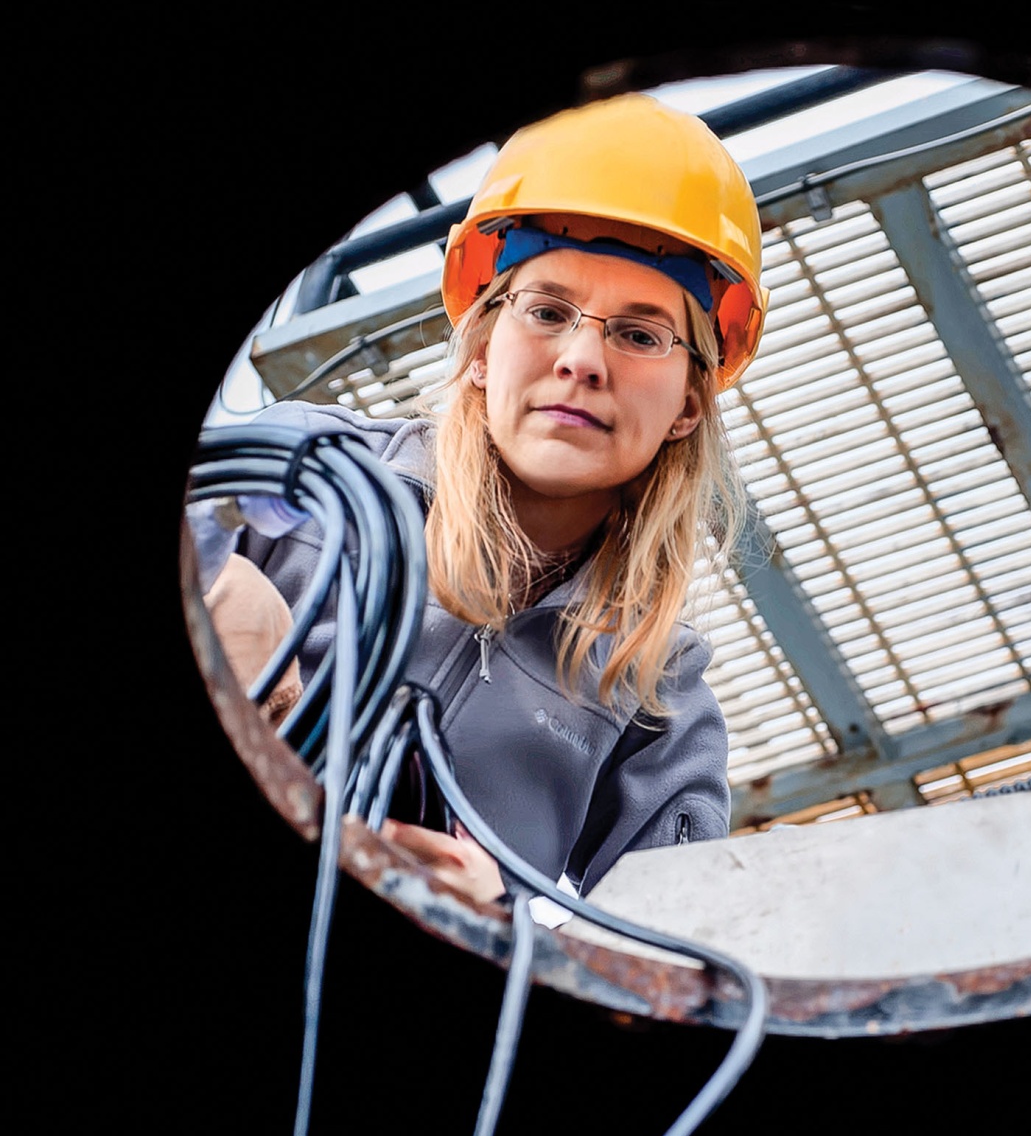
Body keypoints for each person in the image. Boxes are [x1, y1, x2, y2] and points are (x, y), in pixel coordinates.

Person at [195, 92, 768, 911]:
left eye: (640, 334)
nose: (581, 359)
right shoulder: (312, 470)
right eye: (546, 311)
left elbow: (668, 948)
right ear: (479, 348)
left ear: (688, 403)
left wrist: (499, 926)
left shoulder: (659, 692)